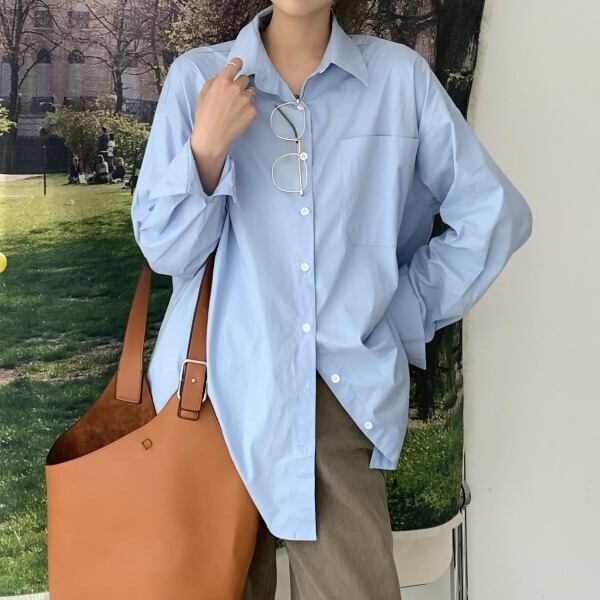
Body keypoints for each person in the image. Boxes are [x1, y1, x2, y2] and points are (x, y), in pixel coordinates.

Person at [131, 2, 533, 598]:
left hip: (338, 401)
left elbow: (493, 216)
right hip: (213, 398)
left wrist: (400, 312)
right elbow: (168, 252)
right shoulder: (200, 79)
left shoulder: (398, 80)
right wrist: (207, 148)